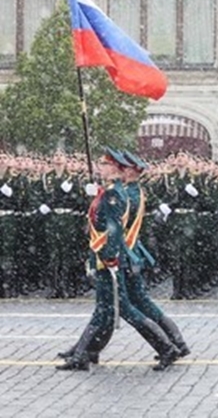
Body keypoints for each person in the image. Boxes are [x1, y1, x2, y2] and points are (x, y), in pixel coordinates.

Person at [57, 148, 178, 371]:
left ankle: (166, 347)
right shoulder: (111, 191)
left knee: (124, 309)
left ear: (115, 168)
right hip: (106, 257)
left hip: (109, 259)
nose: (100, 166)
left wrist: (109, 258)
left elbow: (113, 230)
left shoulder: (114, 194)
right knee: (105, 309)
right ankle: (83, 354)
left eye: (104, 163)